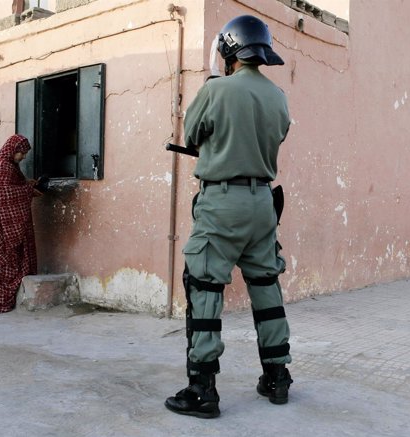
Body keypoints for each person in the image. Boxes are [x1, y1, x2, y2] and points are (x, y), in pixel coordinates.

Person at [164, 15, 292, 418]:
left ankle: (202, 389)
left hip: (222, 203)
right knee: (266, 287)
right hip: (262, 204)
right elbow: (275, 136)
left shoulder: (216, 89)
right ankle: (277, 375)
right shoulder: (278, 97)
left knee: (204, 287)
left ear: (228, 50)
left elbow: (193, 135)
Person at [0, 134, 42, 313]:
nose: (22, 157)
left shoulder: (3, 164)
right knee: (4, 256)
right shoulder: (4, 166)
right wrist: (29, 190)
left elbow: (12, 186)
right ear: (12, 149)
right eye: (21, 153)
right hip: (1, 222)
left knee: (1, 256)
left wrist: (26, 184)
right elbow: (6, 195)